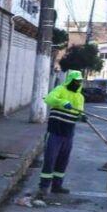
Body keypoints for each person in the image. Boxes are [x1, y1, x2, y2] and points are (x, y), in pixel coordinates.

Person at [36, 70, 85, 198]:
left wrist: (82, 117)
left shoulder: (80, 97)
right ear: (70, 80)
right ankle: (43, 187)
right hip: (55, 132)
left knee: (63, 161)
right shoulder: (60, 89)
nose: (77, 83)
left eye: (79, 81)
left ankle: (57, 186)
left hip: (68, 134)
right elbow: (49, 99)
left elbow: (79, 113)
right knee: (50, 159)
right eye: (75, 81)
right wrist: (62, 102)